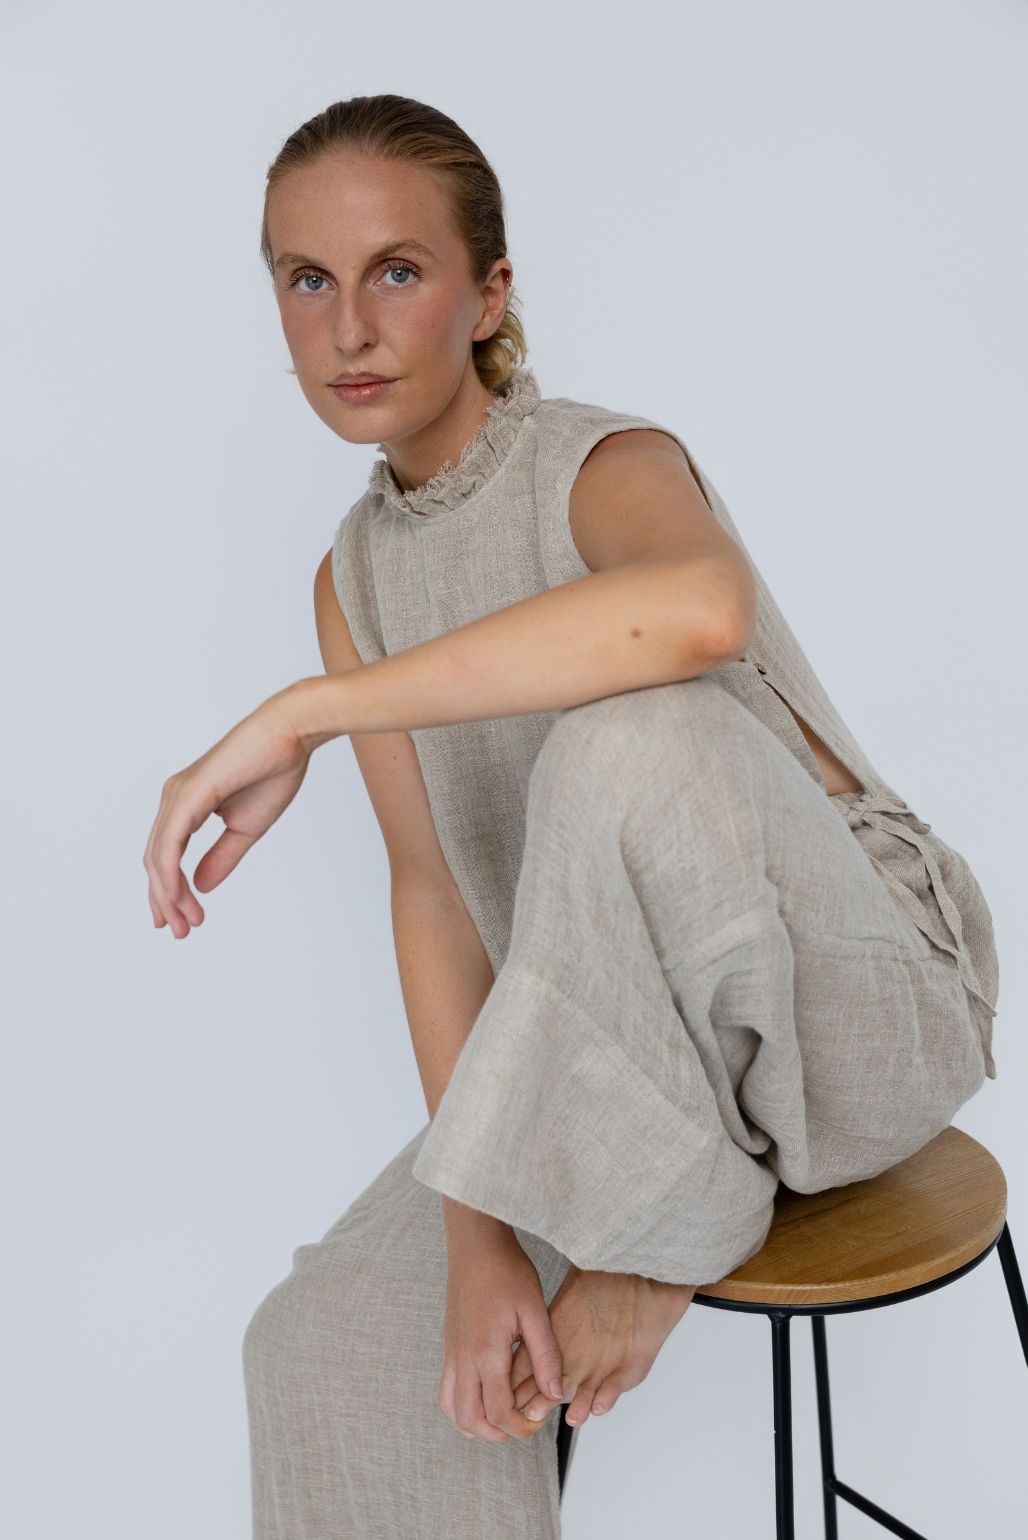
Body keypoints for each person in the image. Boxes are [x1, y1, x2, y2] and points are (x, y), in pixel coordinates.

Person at [142, 94, 1001, 1538]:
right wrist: (479, 1241)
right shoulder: (353, 584)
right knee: (327, 1341)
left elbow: (699, 613)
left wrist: (305, 711)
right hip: (636, 1088)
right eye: (308, 280)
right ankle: (651, 1211)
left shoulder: (605, 468)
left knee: (625, 742)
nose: (348, 325)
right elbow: (435, 901)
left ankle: (662, 1240)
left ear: (489, 295)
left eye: (397, 272)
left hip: (857, 1018)